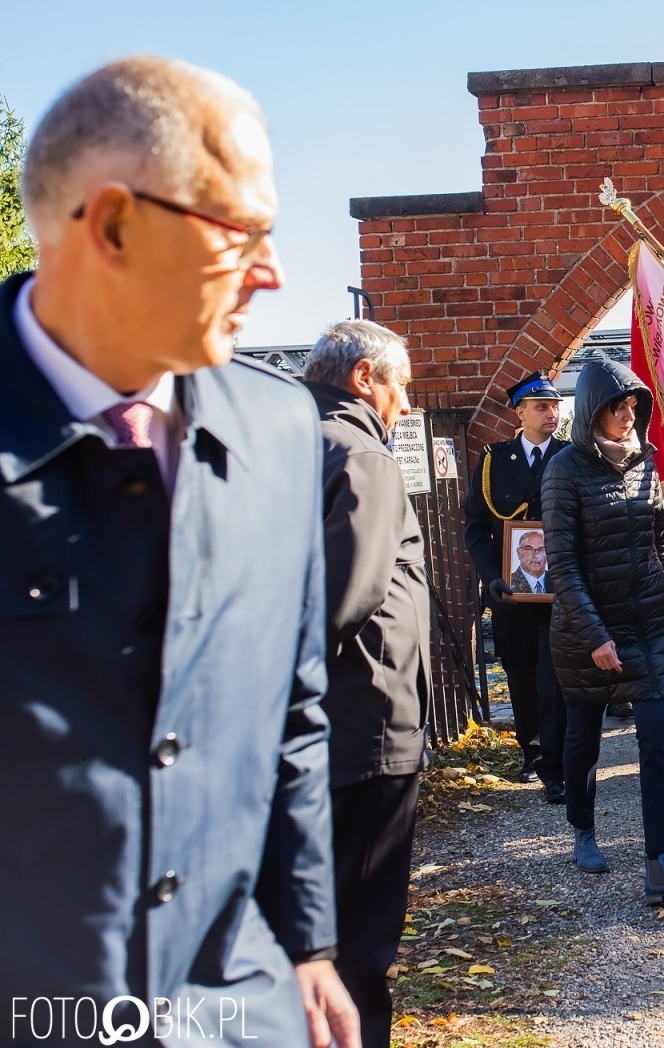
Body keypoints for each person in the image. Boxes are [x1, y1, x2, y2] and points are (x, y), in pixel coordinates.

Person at [1, 57, 358, 1046]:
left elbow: (294, 715)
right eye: (239, 231)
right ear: (114, 225)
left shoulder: (279, 428)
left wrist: (309, 944)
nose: (273, 272)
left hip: (236, 1008)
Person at [542, 359, 664, 905]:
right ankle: (582, 828)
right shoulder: (564, 470)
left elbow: (660, 544)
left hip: (651, 622)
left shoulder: (645, 462)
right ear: (593, 410)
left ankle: (661, 866)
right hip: (589, 630)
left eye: (633, 405)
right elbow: (562, 564)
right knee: (583, 739)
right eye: (617, 406)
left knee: (660, 736)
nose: (628, 415)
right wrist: (595, 635)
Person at [302, 320, 430, 1048]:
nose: (404, 406)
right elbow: (344, 598)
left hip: (321, 725)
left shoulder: (290, 441)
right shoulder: (361, 455)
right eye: (400, 386)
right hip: (368, 719)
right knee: (360, 941)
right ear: (363, 379)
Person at [464, 371, 568, 797]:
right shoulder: (495, 460)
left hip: (560, 592)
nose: (551, 413)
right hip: (512, 594)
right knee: (521, 676)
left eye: (555, 406)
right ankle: (532, 751)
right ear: (520, 412)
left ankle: (556, 764)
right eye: (541, 406)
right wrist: (492, 577)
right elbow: (476, 527)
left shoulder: (570, 456)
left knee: (554, 679)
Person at [509, 529, 549, 595]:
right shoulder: (508, 581)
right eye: (529, 549)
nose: (535, 555)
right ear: (519, 553)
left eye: (541, 549)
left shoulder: (559, 581)